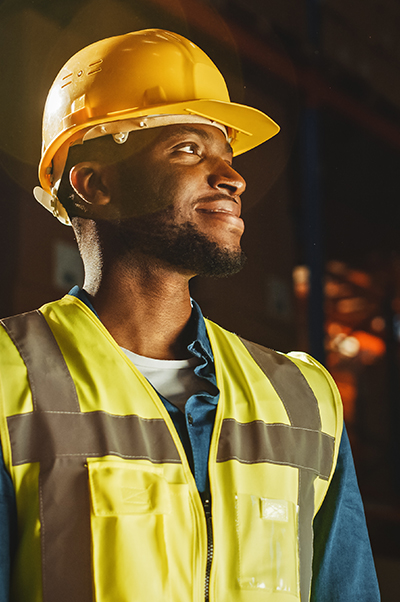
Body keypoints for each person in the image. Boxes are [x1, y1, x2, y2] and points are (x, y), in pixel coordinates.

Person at [0, 29, 379, 602]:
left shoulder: (303, 398)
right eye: (187, 149)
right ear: (93, 185)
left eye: (228, 154)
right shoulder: (8, 380)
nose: (233, 176)